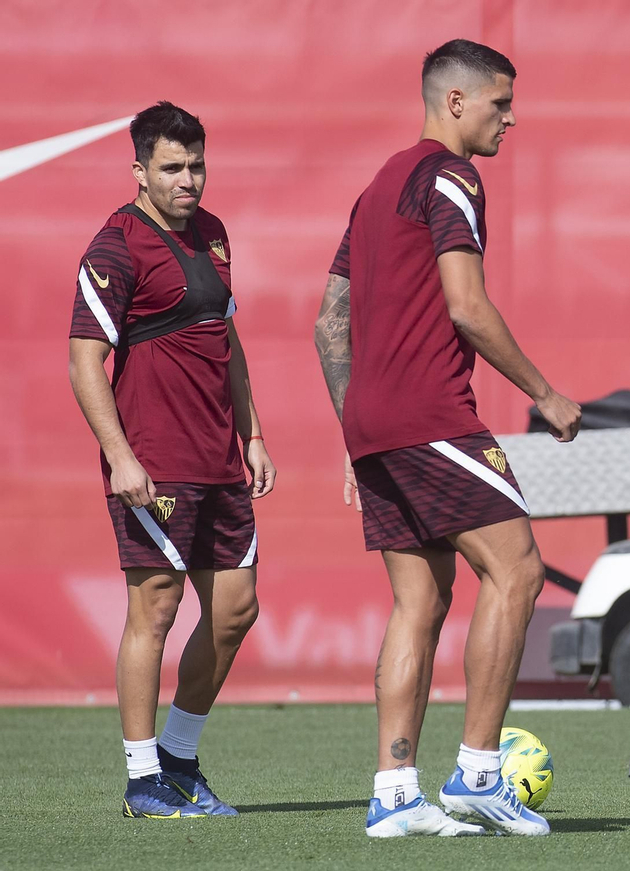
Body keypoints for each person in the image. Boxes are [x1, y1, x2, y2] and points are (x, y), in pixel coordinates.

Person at [313, 39, 581, 838]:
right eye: (500, 103)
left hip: (374, 423)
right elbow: (466, 305)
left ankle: (394, 794)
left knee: (420, 601)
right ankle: (477, 774)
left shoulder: (375, 187)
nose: (511, 118)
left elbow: (327, 320)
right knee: (520, 570)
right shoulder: (450, 176)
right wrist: (545, 391)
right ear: (456, 102)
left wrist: (356, 430)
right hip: (432, 414)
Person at [68, 102, 275, 818]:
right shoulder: (115, 246)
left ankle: (180, 760)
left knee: (235, 610)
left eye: (197, 166)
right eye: (173, 168)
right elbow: (85, 361)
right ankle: (141, 779)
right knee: (155, 609)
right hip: (153, 464)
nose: (189, 180)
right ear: (138, 171)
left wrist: (253, 431)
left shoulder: (213, 233)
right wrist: (120, 456)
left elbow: (226, 337)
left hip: (221, 459)